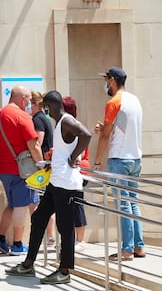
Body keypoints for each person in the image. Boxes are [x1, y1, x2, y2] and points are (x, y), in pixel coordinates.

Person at [5, 90, 91, 285]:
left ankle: (64, 271)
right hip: (56, 182)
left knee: (65, 227)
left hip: (67, 185)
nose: (46, 112)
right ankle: (28, 264)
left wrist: (72, 157)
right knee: (38, 218)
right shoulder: (60, 122)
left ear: (49, 106)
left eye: (46, 108)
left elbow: (86, 135)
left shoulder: (66, 120)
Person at [94, 67, 145, 261]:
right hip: (135, 158)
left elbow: (105, 136)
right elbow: (121, 126)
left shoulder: (114, 102)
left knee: (123, 204)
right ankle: (138, 246)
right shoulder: (134, 100)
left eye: (106, 79)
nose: (105, 83)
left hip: (119, 158)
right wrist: (106, 127)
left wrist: (97, 161)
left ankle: (127, 250)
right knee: (133, 202)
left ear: (113, 80)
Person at [0, 85, 43, 255]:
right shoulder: (22, 117)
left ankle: (0, 238)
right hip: (22, 169)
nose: (29, 103)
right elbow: (33, 145)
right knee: (21, 206)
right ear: (22, 99)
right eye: (28, 100)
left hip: (3, 167)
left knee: (11, 204)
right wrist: (41, 165)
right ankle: (18, 244)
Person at [62, 96, 89, 252]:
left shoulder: (74, 126)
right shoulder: (70, 125)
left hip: (77, 171)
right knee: (72, 205)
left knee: (77, 205)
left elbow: (80, 150)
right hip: (73, 171)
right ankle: (76, 238)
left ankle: (80, 239)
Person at [30, 91, 56, 246]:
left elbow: (37, 142)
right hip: (47, 164)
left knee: (43, 202)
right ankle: (50, 236)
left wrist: (36, 160)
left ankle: (49, 236)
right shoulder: (44, 118)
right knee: (46, 201)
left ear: (35, 104)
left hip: (43, 165)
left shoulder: (38, 119)